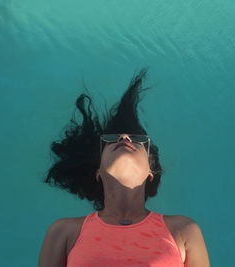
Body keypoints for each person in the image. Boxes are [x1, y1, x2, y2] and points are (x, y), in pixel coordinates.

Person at [38, 68, 210, 267]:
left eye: (137, 140)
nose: (125, 138)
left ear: (150, 173)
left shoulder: (184, 230)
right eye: (112, 141)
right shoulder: (64, 231)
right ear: (98, 173)